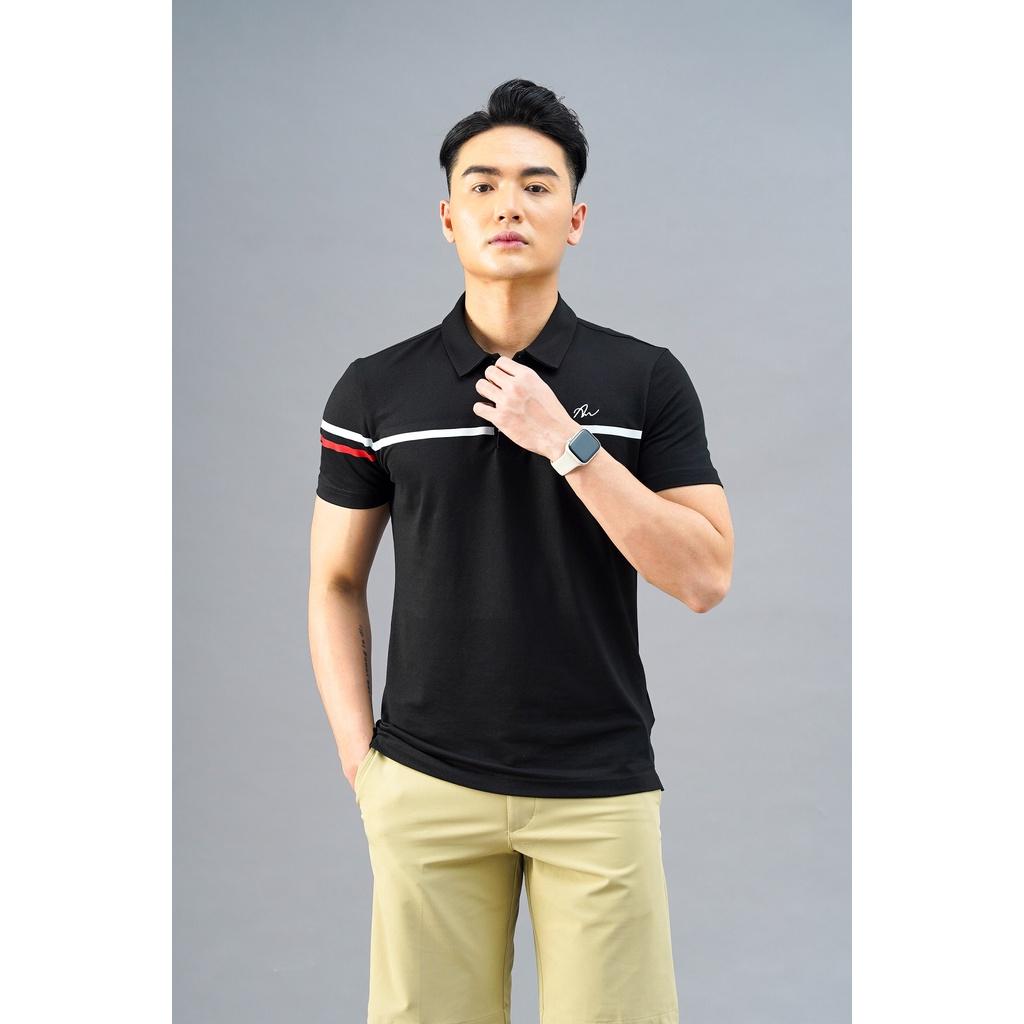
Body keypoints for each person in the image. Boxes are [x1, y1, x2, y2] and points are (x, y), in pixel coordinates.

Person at [308, 78, 734, 1024]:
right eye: (484, 185)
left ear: (575, 220)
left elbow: (705, 576)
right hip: (424, 782)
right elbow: (335, 580)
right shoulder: (375, 390)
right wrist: (361, 759)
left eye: (538, 186)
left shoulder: (645, 379)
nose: (510, 204)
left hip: (598, 788)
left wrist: (570, 445)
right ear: (448, 217)